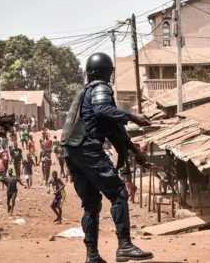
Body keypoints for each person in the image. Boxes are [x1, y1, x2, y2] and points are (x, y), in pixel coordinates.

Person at [61, 52, 153, 262]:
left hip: (72, 152)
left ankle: (92, 255)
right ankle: (125, 245)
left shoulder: (84, 93)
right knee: (119, 193)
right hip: (87, 149)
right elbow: (104, 111)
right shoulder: (100, 88)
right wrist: (132, 116)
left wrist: (133, 150)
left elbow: (112, 129)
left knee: (91, 204)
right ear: (107, 72)